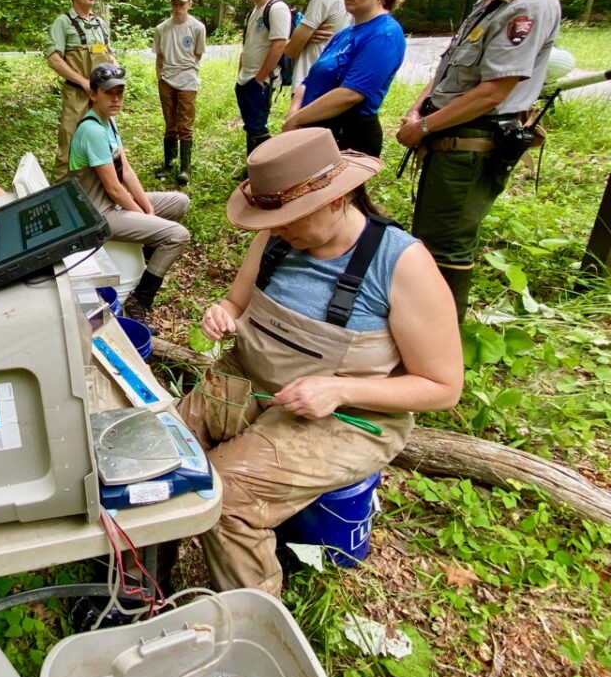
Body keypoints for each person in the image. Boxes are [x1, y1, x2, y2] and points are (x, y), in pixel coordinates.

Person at [177, 128, 462, 594]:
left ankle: (251, 626)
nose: (279, 229)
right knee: (161, 457)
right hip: (248, 378)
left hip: (348, 417)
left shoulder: (402, 263)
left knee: (227, 494)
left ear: (339, 198)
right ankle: (141, 584)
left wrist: (340, 389)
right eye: (273, 217)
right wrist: (222, 313)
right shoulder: (274, 236)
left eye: (292, 216)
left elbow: (443, 386)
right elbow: (235, 301)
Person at [395, 0, 563, 320]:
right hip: (447, 139)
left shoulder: (529, 6)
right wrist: (418, 110)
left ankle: (438, 347)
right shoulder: (490, 2)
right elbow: (451, 69)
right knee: (429, 238)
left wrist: (425, 126)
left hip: (471, 145)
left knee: (444, 248)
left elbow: (494, 91)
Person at [69, 63, 190, 322]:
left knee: (180, 202)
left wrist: (146, 207)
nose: (116, 99)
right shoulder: (91, 130)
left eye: (120, 93)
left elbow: (126, 171)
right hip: (96, 213)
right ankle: (140, 300)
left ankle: (146, 263)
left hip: (114, 205)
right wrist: (146, 218)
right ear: (93, 94)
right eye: (109, 93)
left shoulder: (108, 122)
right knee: (177, 235)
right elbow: (114, 189)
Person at [283, 0, 407, 156]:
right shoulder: (344, 34)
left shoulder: (385, 34)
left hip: (348, 134)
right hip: (315, 128)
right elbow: (309, 80)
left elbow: (350, 94)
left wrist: (298, 119)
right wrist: (294, 113)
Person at [46, 0, 113, 182]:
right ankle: (58, 195)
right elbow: (54, 59)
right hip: (77, 96)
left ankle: (99, 191)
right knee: (69, 145)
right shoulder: (63, 22)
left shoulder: (100, 23)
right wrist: (83, 82)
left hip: (101, 96)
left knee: (104, 142)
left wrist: (116, 76)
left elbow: (110, 55)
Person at [234, 0, 291, 175]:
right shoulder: (255, 11)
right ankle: (252, 168)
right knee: (251, 126)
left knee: (258, 127)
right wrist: (242, 73)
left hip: (260, 81)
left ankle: (268, 169)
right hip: (245, 77)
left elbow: (279, 44)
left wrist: (259, 78)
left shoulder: (276, 8)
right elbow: (249, 44)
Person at [152, 0, 207, 186]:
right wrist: (160, 77)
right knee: (170, 124)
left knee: (185, 125)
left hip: (188, 80)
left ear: (189, 4)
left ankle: (184, 169)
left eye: (182, 3)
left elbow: (198, 54)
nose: (178, 7)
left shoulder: (197, 28)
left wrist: (187, 70)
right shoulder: (161, 29)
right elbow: (159, 56)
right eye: (174, 3)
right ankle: (169, 165)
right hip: (166, 80)